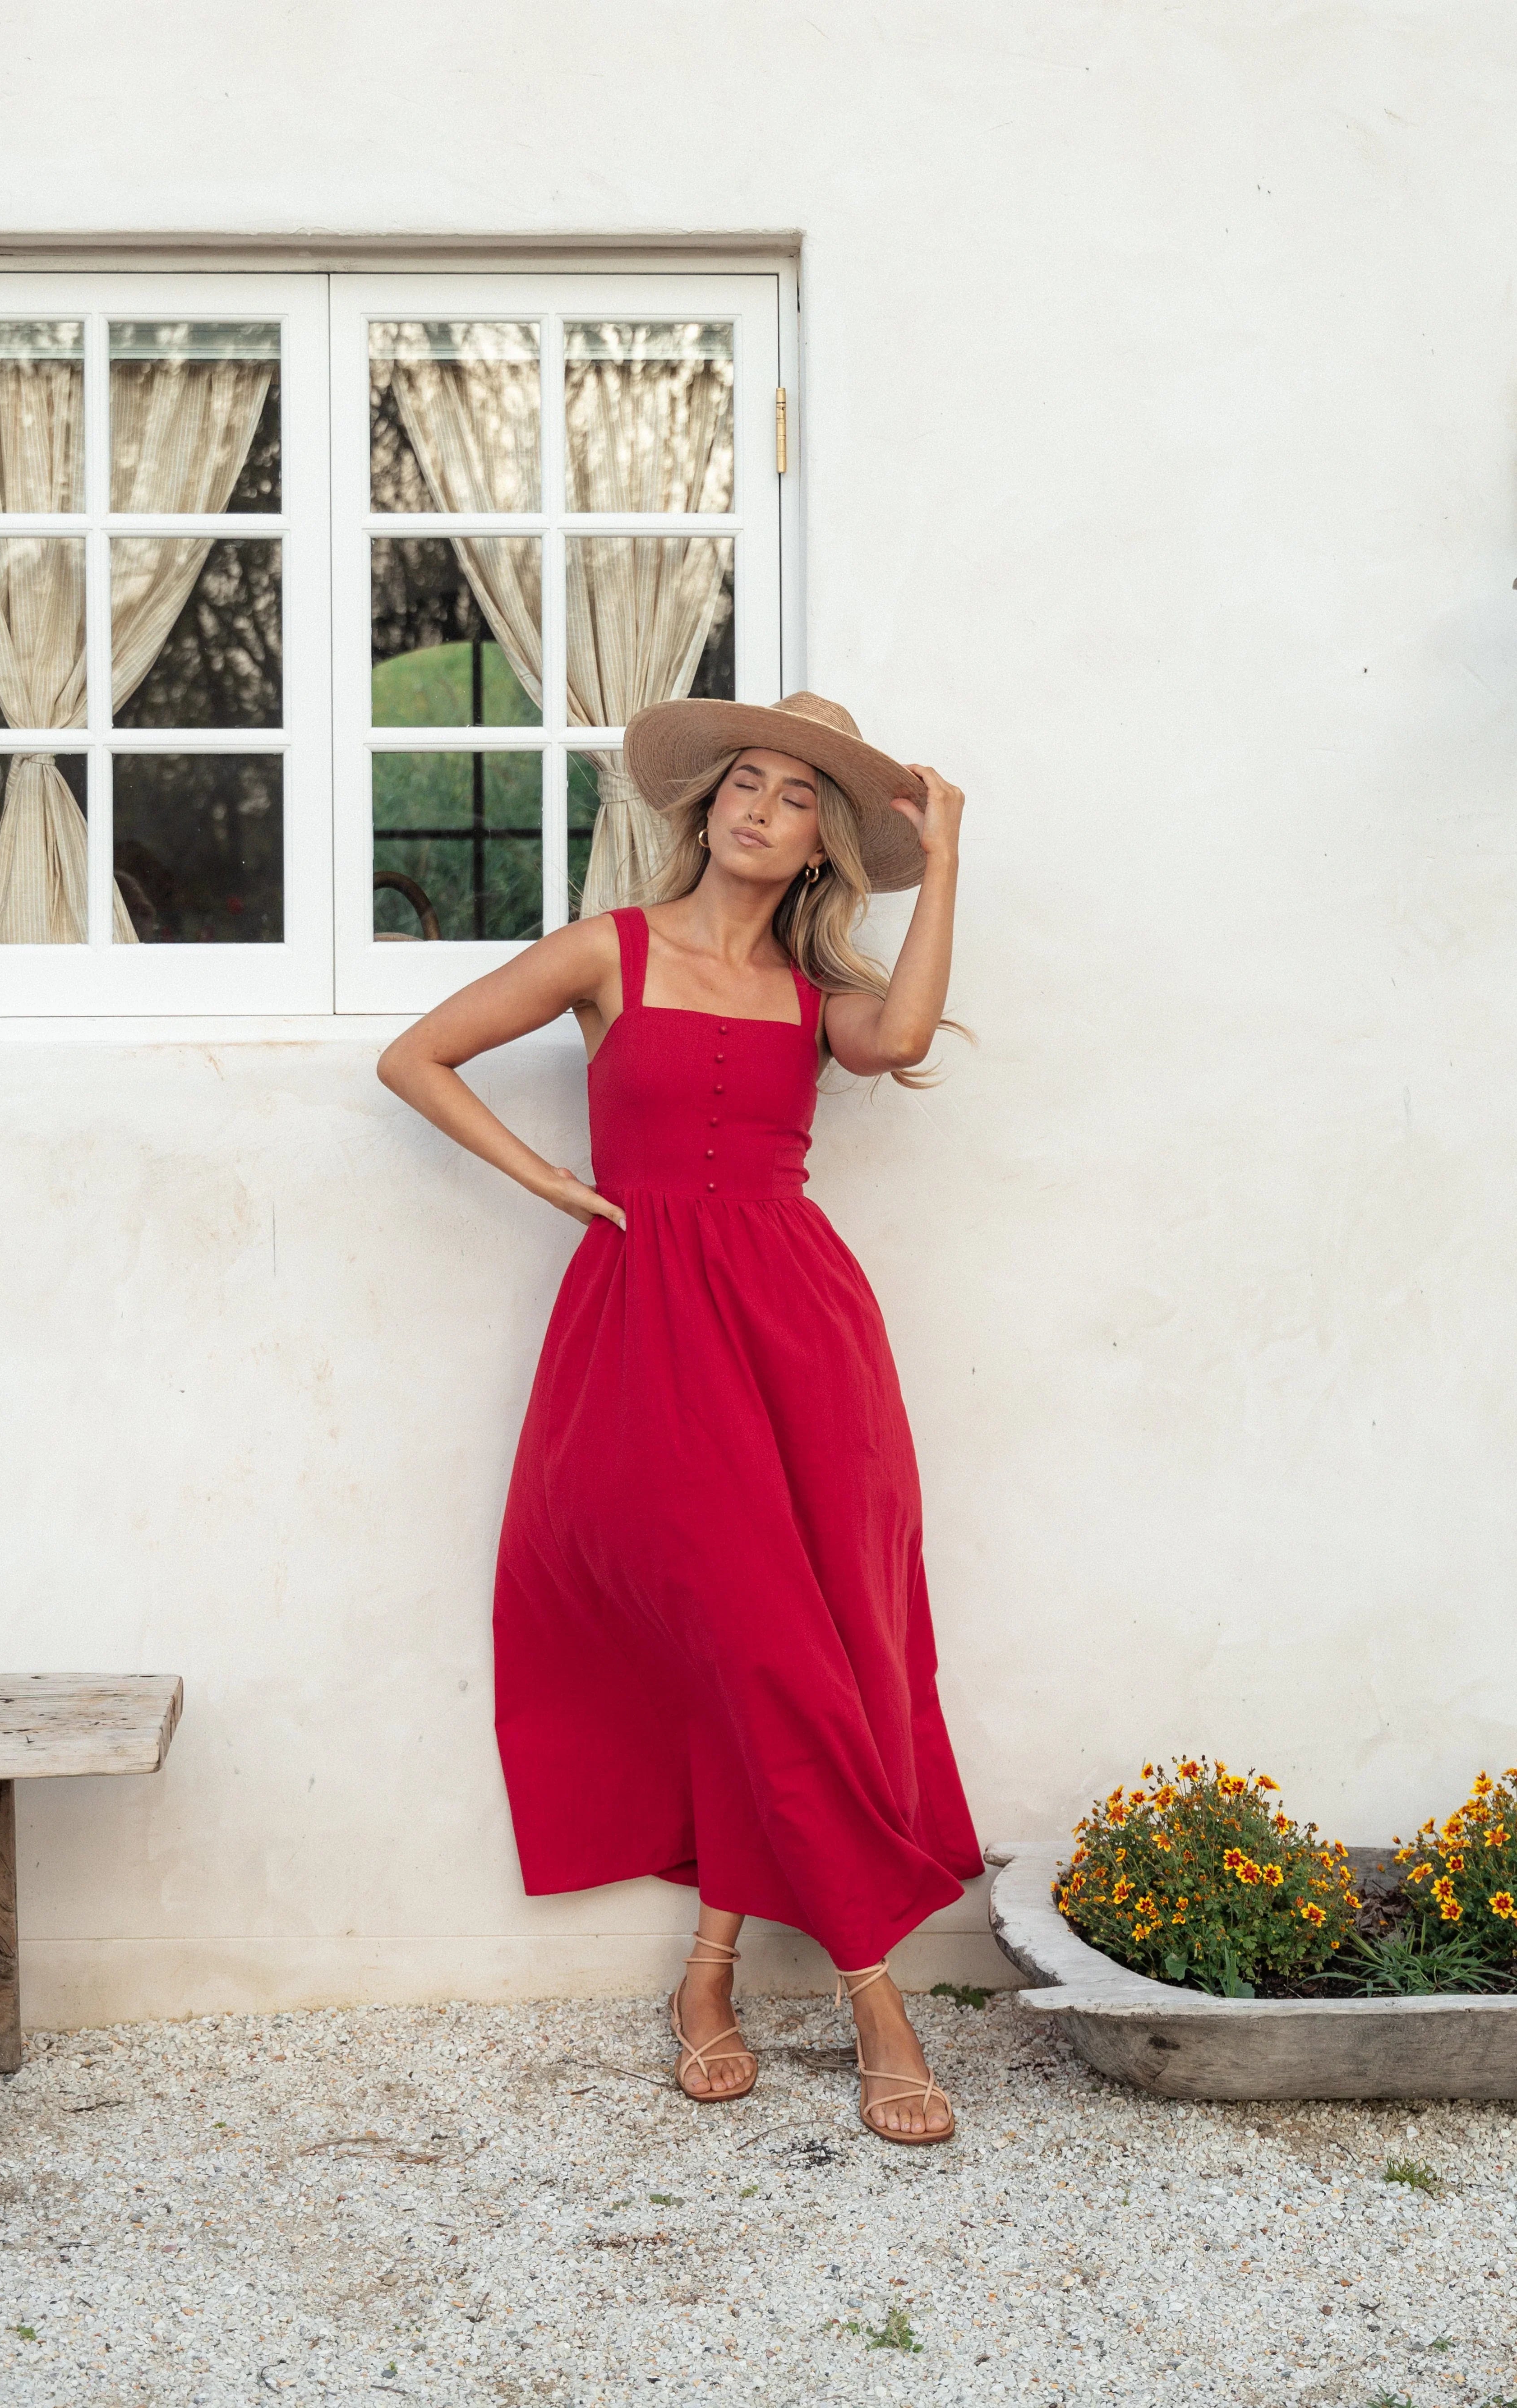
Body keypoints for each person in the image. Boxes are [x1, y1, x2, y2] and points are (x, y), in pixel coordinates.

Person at [378, 692, 982, 2144]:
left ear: (822, 844)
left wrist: (947, 852)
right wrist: (554, 1182)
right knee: (754, 1637)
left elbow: (903, 1032)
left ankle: (708, 1972)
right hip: (648, 1328)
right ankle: (874, 1994)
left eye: (797, 796)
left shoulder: (810, 995)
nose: (760, 807)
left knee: (814, 1644)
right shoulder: (609, 950)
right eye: (745, 783)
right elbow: (415, 1056)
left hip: (806, 1339)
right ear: (707, 806)